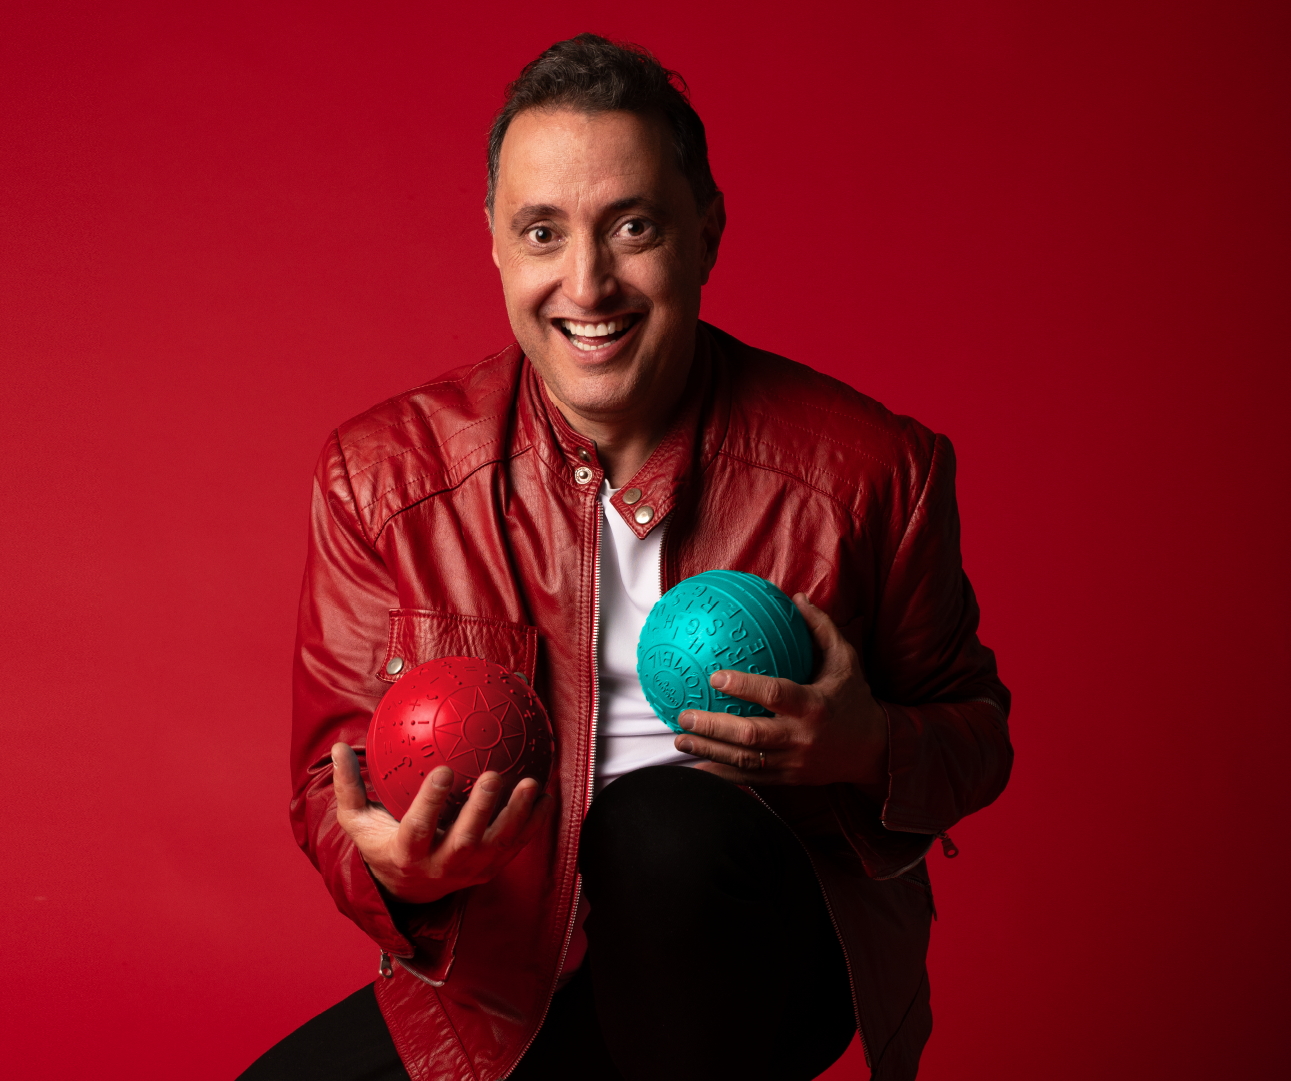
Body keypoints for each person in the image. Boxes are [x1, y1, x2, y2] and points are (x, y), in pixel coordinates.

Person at [243, 33, 1011, 1081]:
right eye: (543, 232)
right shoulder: (381, 475)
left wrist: (867, 742)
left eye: (633, 227)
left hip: (763, 952)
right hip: (514, 969)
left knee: (657, 829)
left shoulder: (871, 470)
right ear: (497, 248)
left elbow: (973, 734)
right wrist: (401, 871)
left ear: (706, 233)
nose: (587, 282)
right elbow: (328, 782)